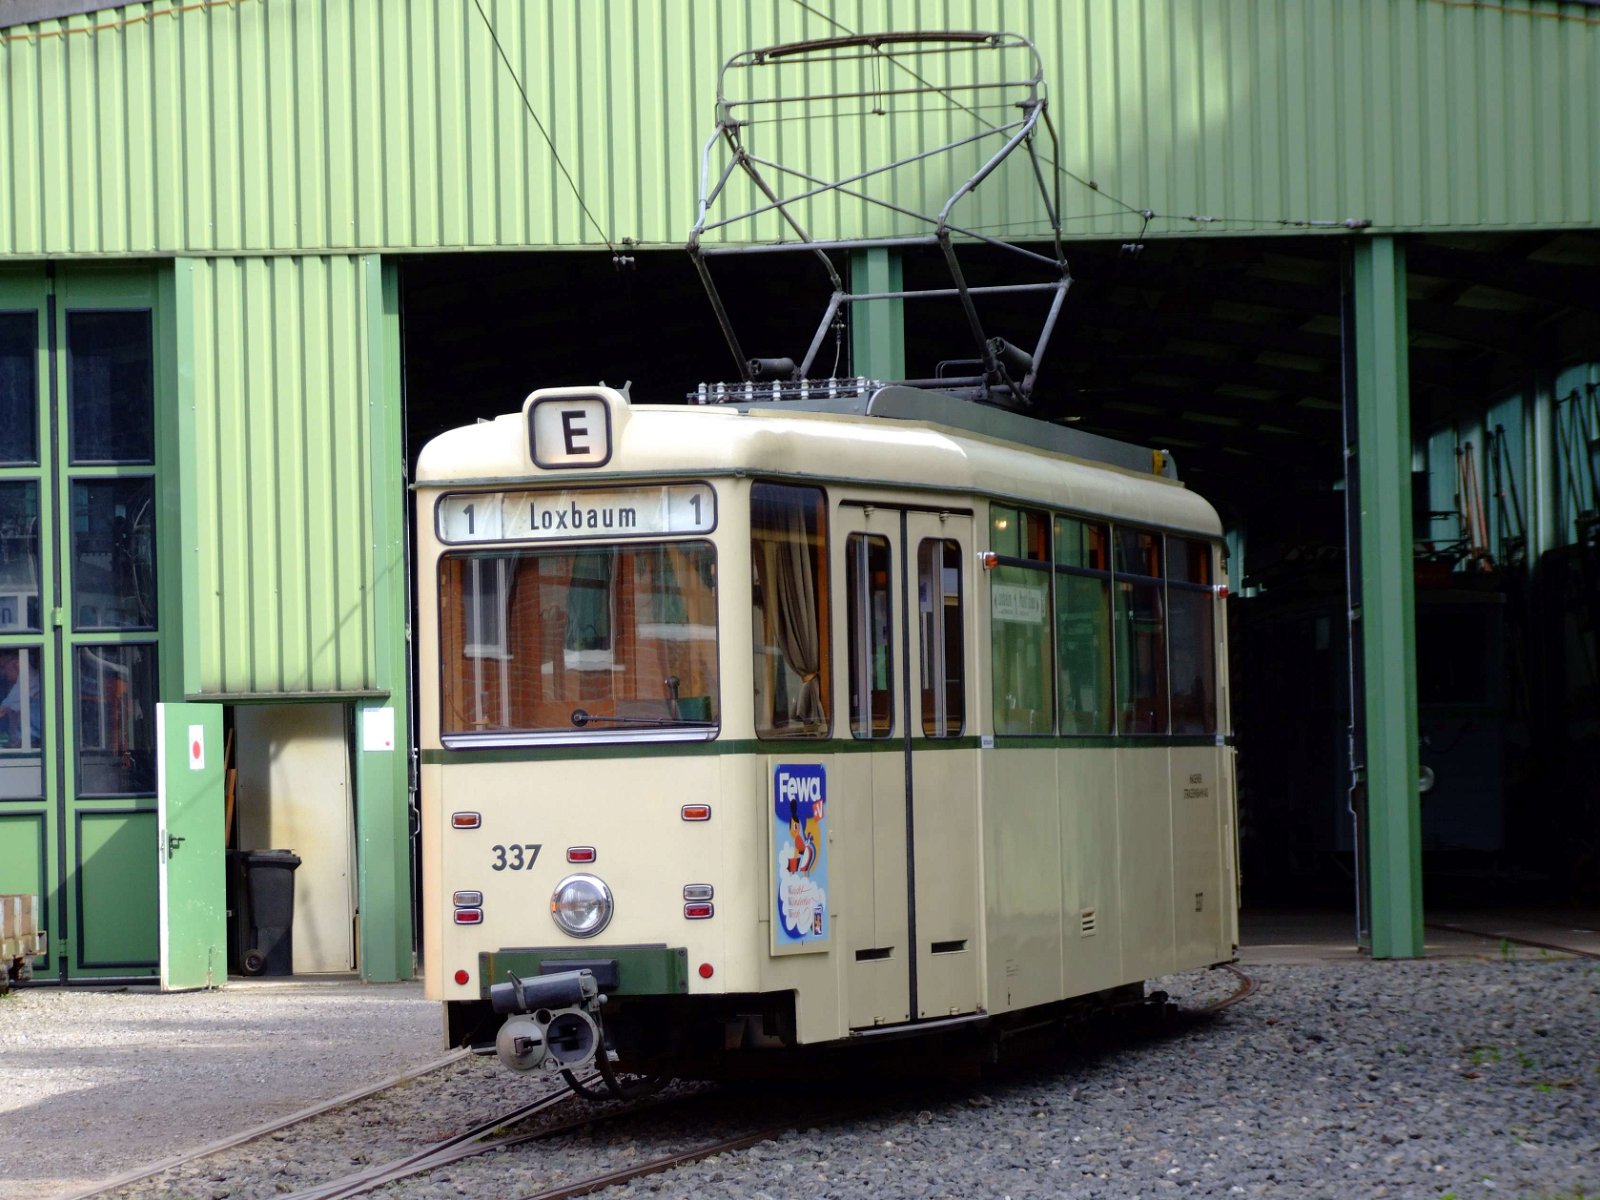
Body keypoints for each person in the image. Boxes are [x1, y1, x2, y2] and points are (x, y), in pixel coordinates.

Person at [0, 650, 42, 747]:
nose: (2, 673)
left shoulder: (27, 679)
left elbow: (2, 711)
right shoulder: (15, 682)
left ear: (18, 663)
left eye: (3, 667)